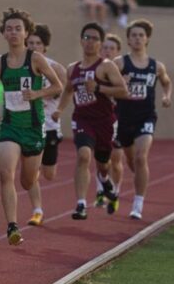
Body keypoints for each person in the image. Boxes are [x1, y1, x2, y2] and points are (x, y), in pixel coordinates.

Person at [0, 10, 62, 245]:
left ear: (26, 32)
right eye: (9, 28)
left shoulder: (35, 59)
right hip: (10, 127)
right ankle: (12, 225)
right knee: (5, 174)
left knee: (27, 181)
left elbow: (57, 86)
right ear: (3, 33)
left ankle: (32, 175)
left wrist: (37, 93)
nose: (13, 33)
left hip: (33, 128)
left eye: (18, 28)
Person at [53, 22, 128, 220]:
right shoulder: (73, 69)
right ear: (81, 40)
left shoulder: (106, 66)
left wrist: (98, 88)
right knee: (84, 155)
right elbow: (69, 90)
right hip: (82, 120)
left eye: (94, 38)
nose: (90, 42)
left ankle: (105, 179)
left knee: (103, 163)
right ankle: (81, 204)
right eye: (87, 37)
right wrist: (59, 110)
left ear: (100, 43)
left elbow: (123, 91)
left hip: (104, 121)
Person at [114, 19, 172, 219]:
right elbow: (103, 83)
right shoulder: (120, 63)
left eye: (141, 35)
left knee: (141, 157)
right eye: (134, 35)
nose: (137, 38)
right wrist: (120, 82)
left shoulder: (157, 66)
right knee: (131, 159)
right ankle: (137, 175)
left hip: (146, 116)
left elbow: (166, 82)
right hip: (123, 118)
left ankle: (137, 204)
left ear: (147, 39)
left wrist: (166, 96)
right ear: (128, 40)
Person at [26, 24, 67, 226]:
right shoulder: (19, 64)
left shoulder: (56, 68)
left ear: (45, 46)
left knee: (49, 174)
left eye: (38, 43)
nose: (34, 46)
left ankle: (41, 167)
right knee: (31, 172)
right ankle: (37, 210)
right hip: (27, 125)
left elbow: (61, 92)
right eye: (31, 43)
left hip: (49, 125)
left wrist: (39, 94)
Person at [95, 33, 125, 210]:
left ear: (118, 52)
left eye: (111, 48)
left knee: (116, 158)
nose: (107, 51)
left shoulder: (122, 71)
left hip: (119, 118)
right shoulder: (96, 69)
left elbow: (126, 92)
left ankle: (115, 191)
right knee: (101, 158)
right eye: (105, 47)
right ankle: (100, 191)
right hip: (100, 119)